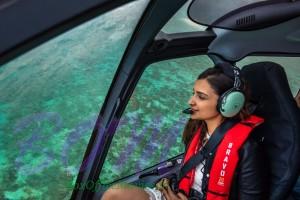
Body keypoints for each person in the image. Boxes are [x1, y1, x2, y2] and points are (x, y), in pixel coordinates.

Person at [101, 64, 266, 200]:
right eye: (193, 93)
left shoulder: (247, 147)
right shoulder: (196, 129)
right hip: (178, 193)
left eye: (201, 97)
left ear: (229, 103)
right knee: (115, 193)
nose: (190, 101)